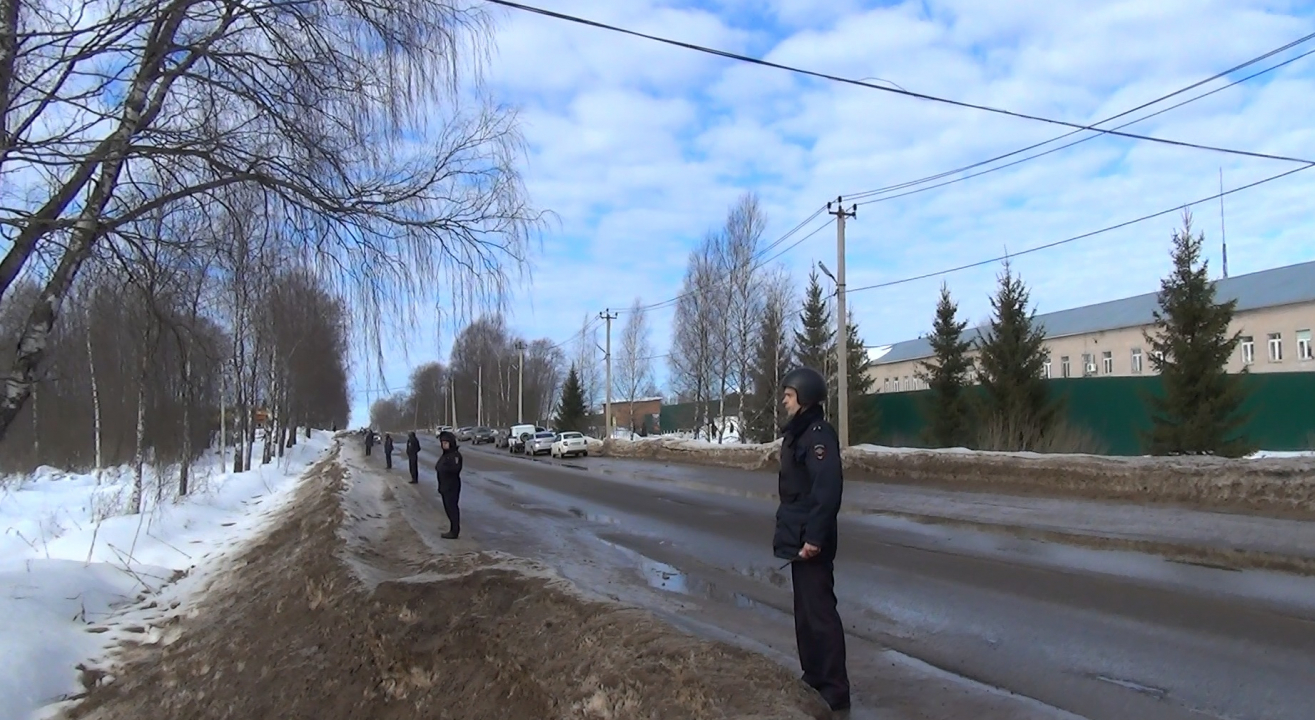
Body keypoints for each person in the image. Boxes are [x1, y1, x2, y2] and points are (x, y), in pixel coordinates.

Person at [772, 366, 850, 712]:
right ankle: (814, 676)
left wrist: (814, 538)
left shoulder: (818, 435)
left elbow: (827, 490)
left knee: (819, 614)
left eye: (789, 396)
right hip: (797, 535)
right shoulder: (799, 433)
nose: (785, 401)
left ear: (804, 397)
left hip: (811, 540)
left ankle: (834, 686)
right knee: (804, 613)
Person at [435, 430, 463, 539]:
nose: (444, 445)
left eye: (446, 443)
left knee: (452, 508)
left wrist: (444, 469)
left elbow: (455, 469)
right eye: (442, 443)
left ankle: (454, 531)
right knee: (448, 508)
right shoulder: (445, 455)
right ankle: (452, 529)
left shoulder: (454, 455)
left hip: (451, 486)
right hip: (444, 486)